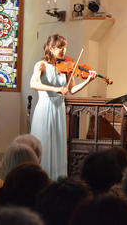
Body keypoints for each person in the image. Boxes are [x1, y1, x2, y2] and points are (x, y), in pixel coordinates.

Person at [30, 34, 97, 180]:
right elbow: (33, 84)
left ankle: (56, 180)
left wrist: (88, 81)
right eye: (60, 48)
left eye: (65, 48)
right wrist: (56, 90)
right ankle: (40, 180)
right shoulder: (41, 65)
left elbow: (72, 89)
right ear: (52, 48)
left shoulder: (66, 67)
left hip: (58, 109)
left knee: (58, 146)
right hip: (45, 107)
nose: (64, 51)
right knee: (44, 144)